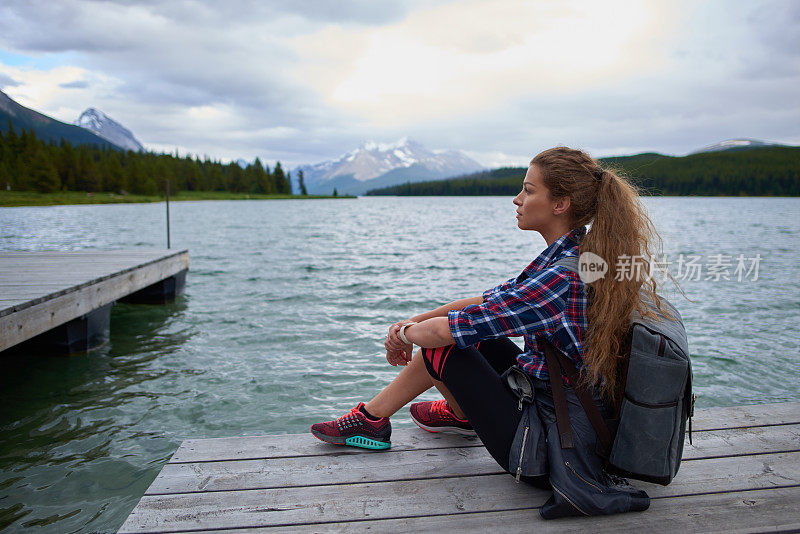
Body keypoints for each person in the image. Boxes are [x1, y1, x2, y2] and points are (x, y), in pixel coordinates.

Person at [310, 146, 664, 517]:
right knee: (474, 333)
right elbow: (481, 303)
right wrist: (409, 323)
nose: (517, 199)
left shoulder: (561, 278)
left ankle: (371, 419)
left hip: (551, 451)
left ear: (560, 203)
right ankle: (462, 416)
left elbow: (444, 333)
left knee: (442, 348)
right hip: (570, 421)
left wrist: (406, 335)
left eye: (528, 190)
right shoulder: (579, 255)